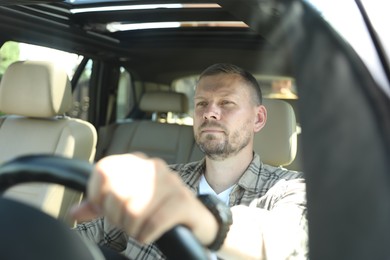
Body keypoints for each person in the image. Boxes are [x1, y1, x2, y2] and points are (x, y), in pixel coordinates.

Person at [71, 63, 307, 259]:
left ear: (258, 118)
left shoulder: (292, 189)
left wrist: (199, 218)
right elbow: (87, 236)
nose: (209, 112)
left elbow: (281, 243)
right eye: (202, 103)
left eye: (226, 103)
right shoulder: (164, 182)